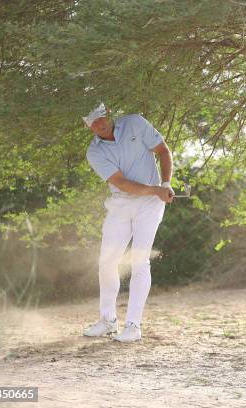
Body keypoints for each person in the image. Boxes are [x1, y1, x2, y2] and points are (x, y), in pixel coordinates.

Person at [81, 102, 175, 342]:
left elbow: (163, 150)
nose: (98, 124)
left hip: (150, 205)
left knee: (139, 261)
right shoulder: (95, 151)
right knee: (106, 262)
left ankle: (133, 325)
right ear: (88, 126)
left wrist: (164, 185)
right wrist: (155, 189)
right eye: (92, 122)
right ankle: (108, 321)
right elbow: (121, 183)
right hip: (121, 203)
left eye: (100, 118)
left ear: (108, 114)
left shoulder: (134, 122)